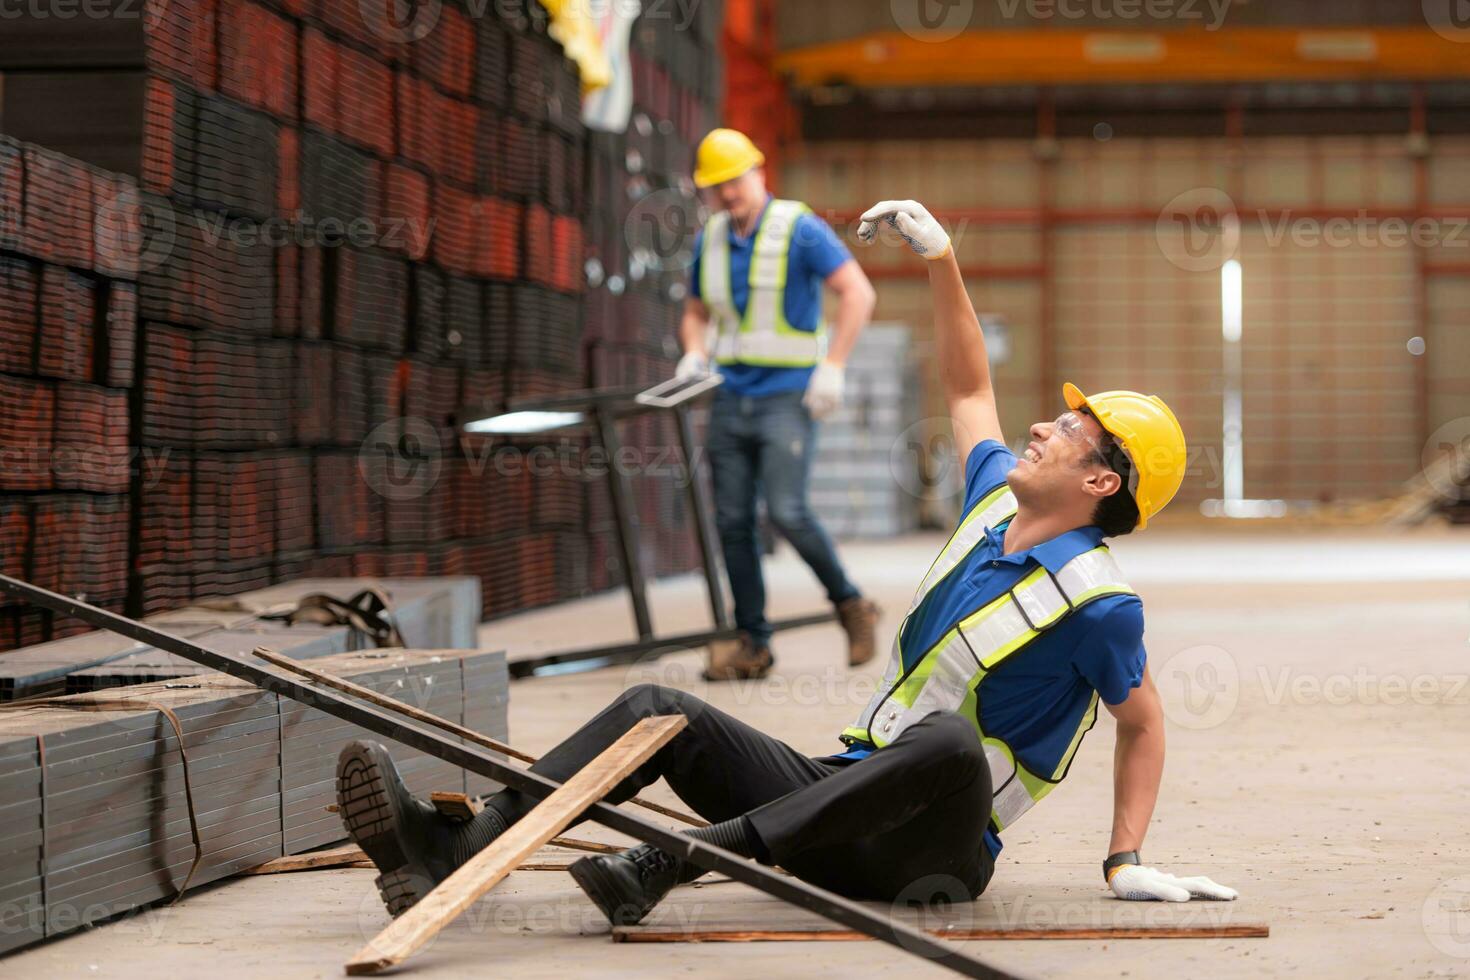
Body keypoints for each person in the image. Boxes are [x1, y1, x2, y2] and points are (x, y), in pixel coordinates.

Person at [334, 199, 1237, 927]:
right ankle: (456, 845)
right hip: (840, 799)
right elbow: (969, 388)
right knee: (660, 709)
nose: (1040, 427)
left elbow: (1143, 721)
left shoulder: (1100, 602)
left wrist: (1125, 859)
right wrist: (943, 261)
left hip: (936, 855)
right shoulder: (995, 496)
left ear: (1100, 478)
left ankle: (676, 860)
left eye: (1067, 428)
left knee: (951, 742)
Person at [676, 128, 881, 680]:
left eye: (735, 180)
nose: (728, 194)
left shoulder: (800, 229)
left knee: (787, 510)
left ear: (758, 172)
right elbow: (696, 309)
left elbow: (858, 292)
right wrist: (694, 353)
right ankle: (752, 644)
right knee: (733, 521)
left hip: (786, 397)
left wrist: (833, 365)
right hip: (730, 396)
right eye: (717, 186)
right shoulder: (711, 239)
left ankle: (851, 604)